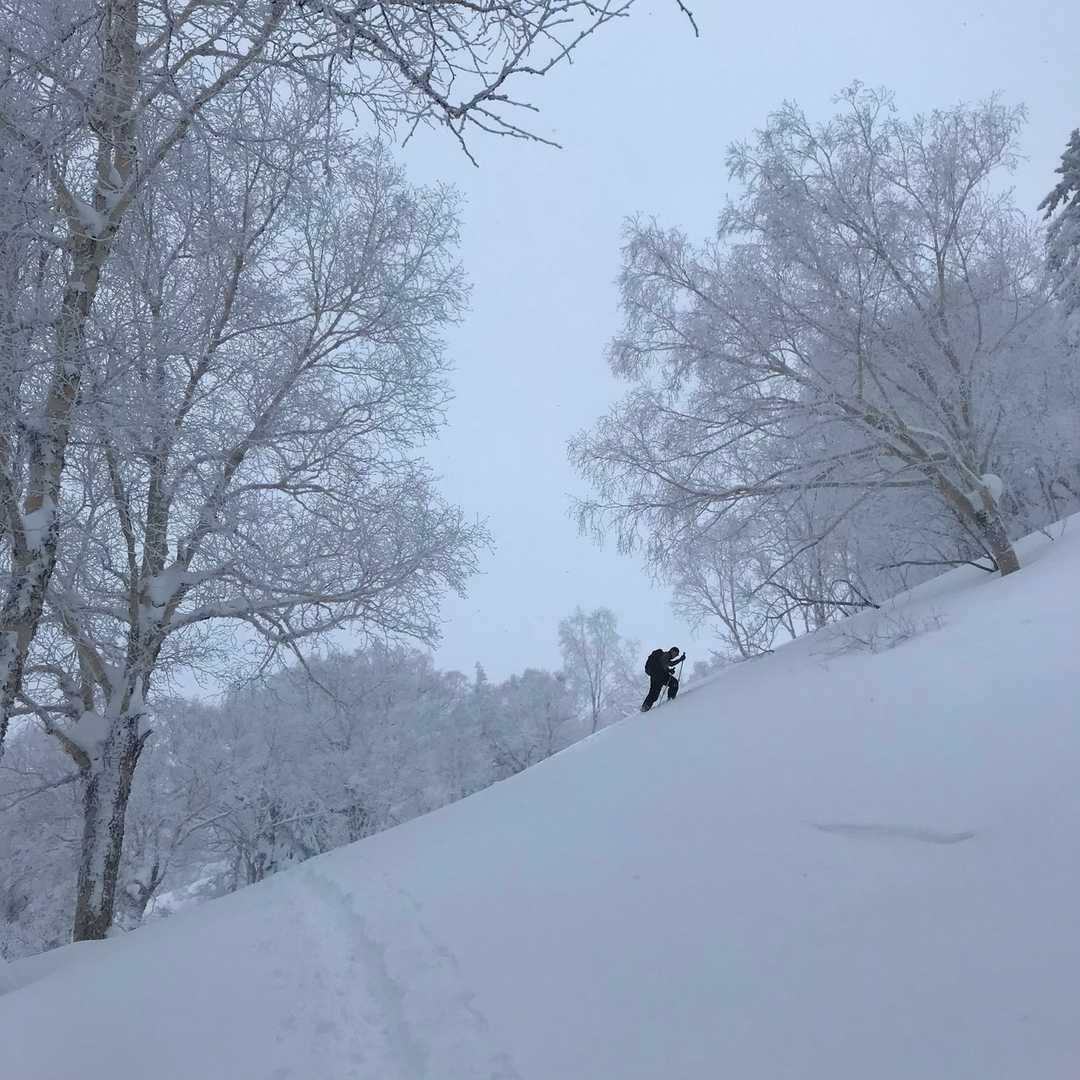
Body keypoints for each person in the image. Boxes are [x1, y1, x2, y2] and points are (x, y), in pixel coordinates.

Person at [641, 646, 685, 712]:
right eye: (675, 654)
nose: (675, 656)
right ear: (672, 651)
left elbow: (664, 665)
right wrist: (680, 660)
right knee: (656, 692)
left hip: (657, 676)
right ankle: (670, 700)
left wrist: (669, 670)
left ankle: (645, 707)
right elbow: (669, 664)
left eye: (676, 655)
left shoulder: (665, 656)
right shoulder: (666, 655)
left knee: (654, 693)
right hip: (658, 676)